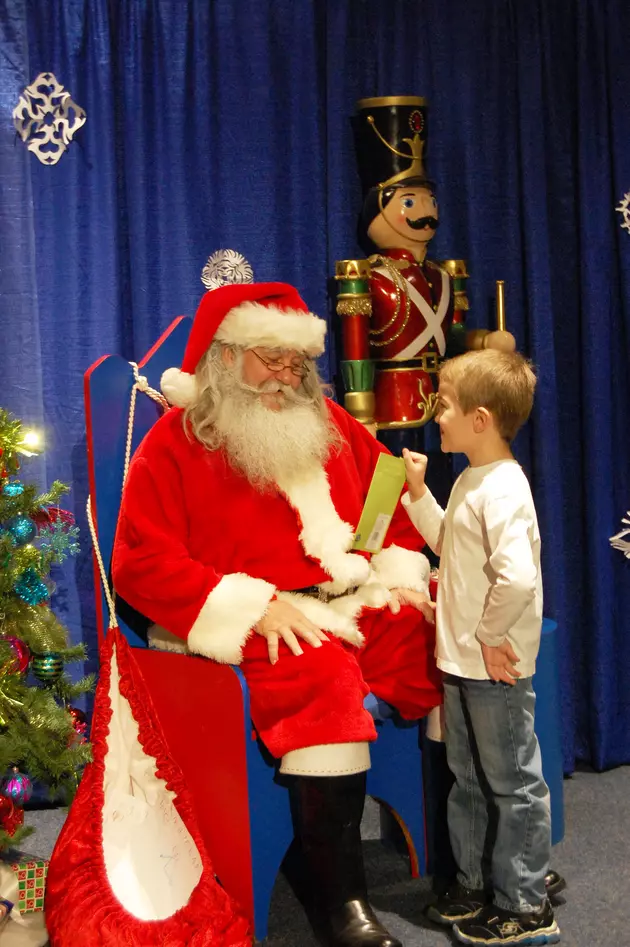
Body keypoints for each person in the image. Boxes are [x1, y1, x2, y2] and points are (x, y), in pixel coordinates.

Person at [112, 280, 443, 947]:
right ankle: (341, 904)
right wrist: (251, 606)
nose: (287, 374)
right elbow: (139, 563)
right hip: (257, 622)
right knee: (319, 676)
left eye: (295, 361)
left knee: (440, 647)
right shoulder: (174, 443)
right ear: (224, 356)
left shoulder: (332, 425)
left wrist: (394, 569)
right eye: (271, 357)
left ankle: (467, 857)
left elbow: (384, 506)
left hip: (345, 600)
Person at [401, 349, 561, 947]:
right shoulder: (472, 477)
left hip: (493, 667)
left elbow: (517, 579)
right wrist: (418, 493)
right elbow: (450, 543)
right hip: (463, 665)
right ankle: (473, 885)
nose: (434, 416)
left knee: (512, 783)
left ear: (480, 418)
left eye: (443, 405)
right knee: (467, 777)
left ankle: (525, 902)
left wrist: (491, 639)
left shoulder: (504, 489)